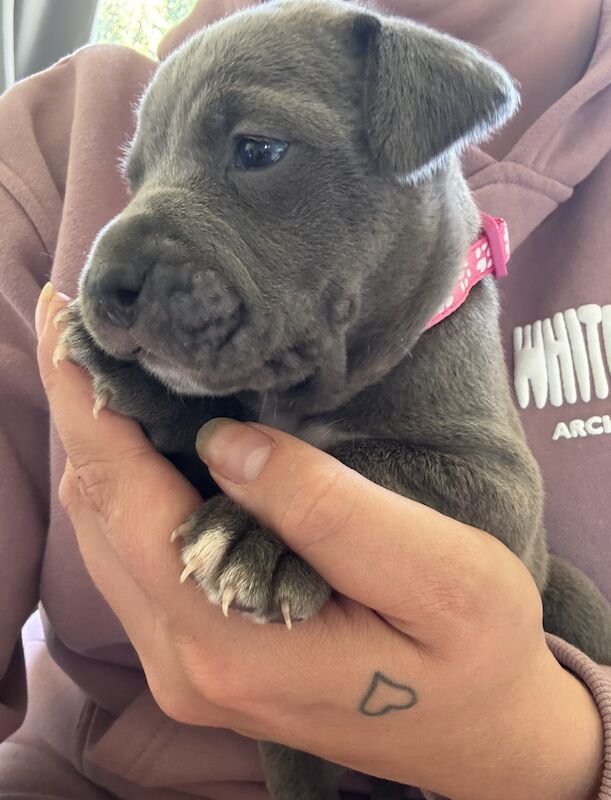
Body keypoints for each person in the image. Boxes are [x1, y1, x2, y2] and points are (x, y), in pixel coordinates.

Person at [0, 0, 609, 798]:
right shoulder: (41, 152)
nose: (117, 254)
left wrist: (549, 754)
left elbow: (488, 494)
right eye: (142, 177)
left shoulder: (396, 89)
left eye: (256, 151)